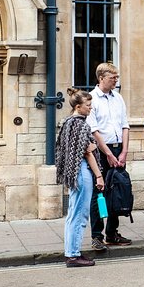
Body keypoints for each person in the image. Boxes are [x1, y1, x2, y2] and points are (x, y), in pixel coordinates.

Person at [56, 88, 105, 267]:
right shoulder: (81, 124)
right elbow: (88, 153)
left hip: (73, 172)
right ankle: (73, 255)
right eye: (88, 106)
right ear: (78, 106)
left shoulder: (67, 122)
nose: (90, 108)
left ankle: (71, 252)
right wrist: (99, 176)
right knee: (80, 215)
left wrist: (90, 146)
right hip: (82, 172)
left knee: (72, 214)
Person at [86, 62, 132, 250]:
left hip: (118, 149)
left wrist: (124, 151)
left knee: (117, 191)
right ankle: (97, 235)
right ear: (101, 78)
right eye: (113, 77)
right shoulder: (92, 99)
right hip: (100, 152)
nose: (116, 80)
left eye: (117, 77)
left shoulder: (118, 98)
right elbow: (94, 131)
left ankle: (112, 233)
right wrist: (108, 154)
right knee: (100, 193)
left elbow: (125, 125)